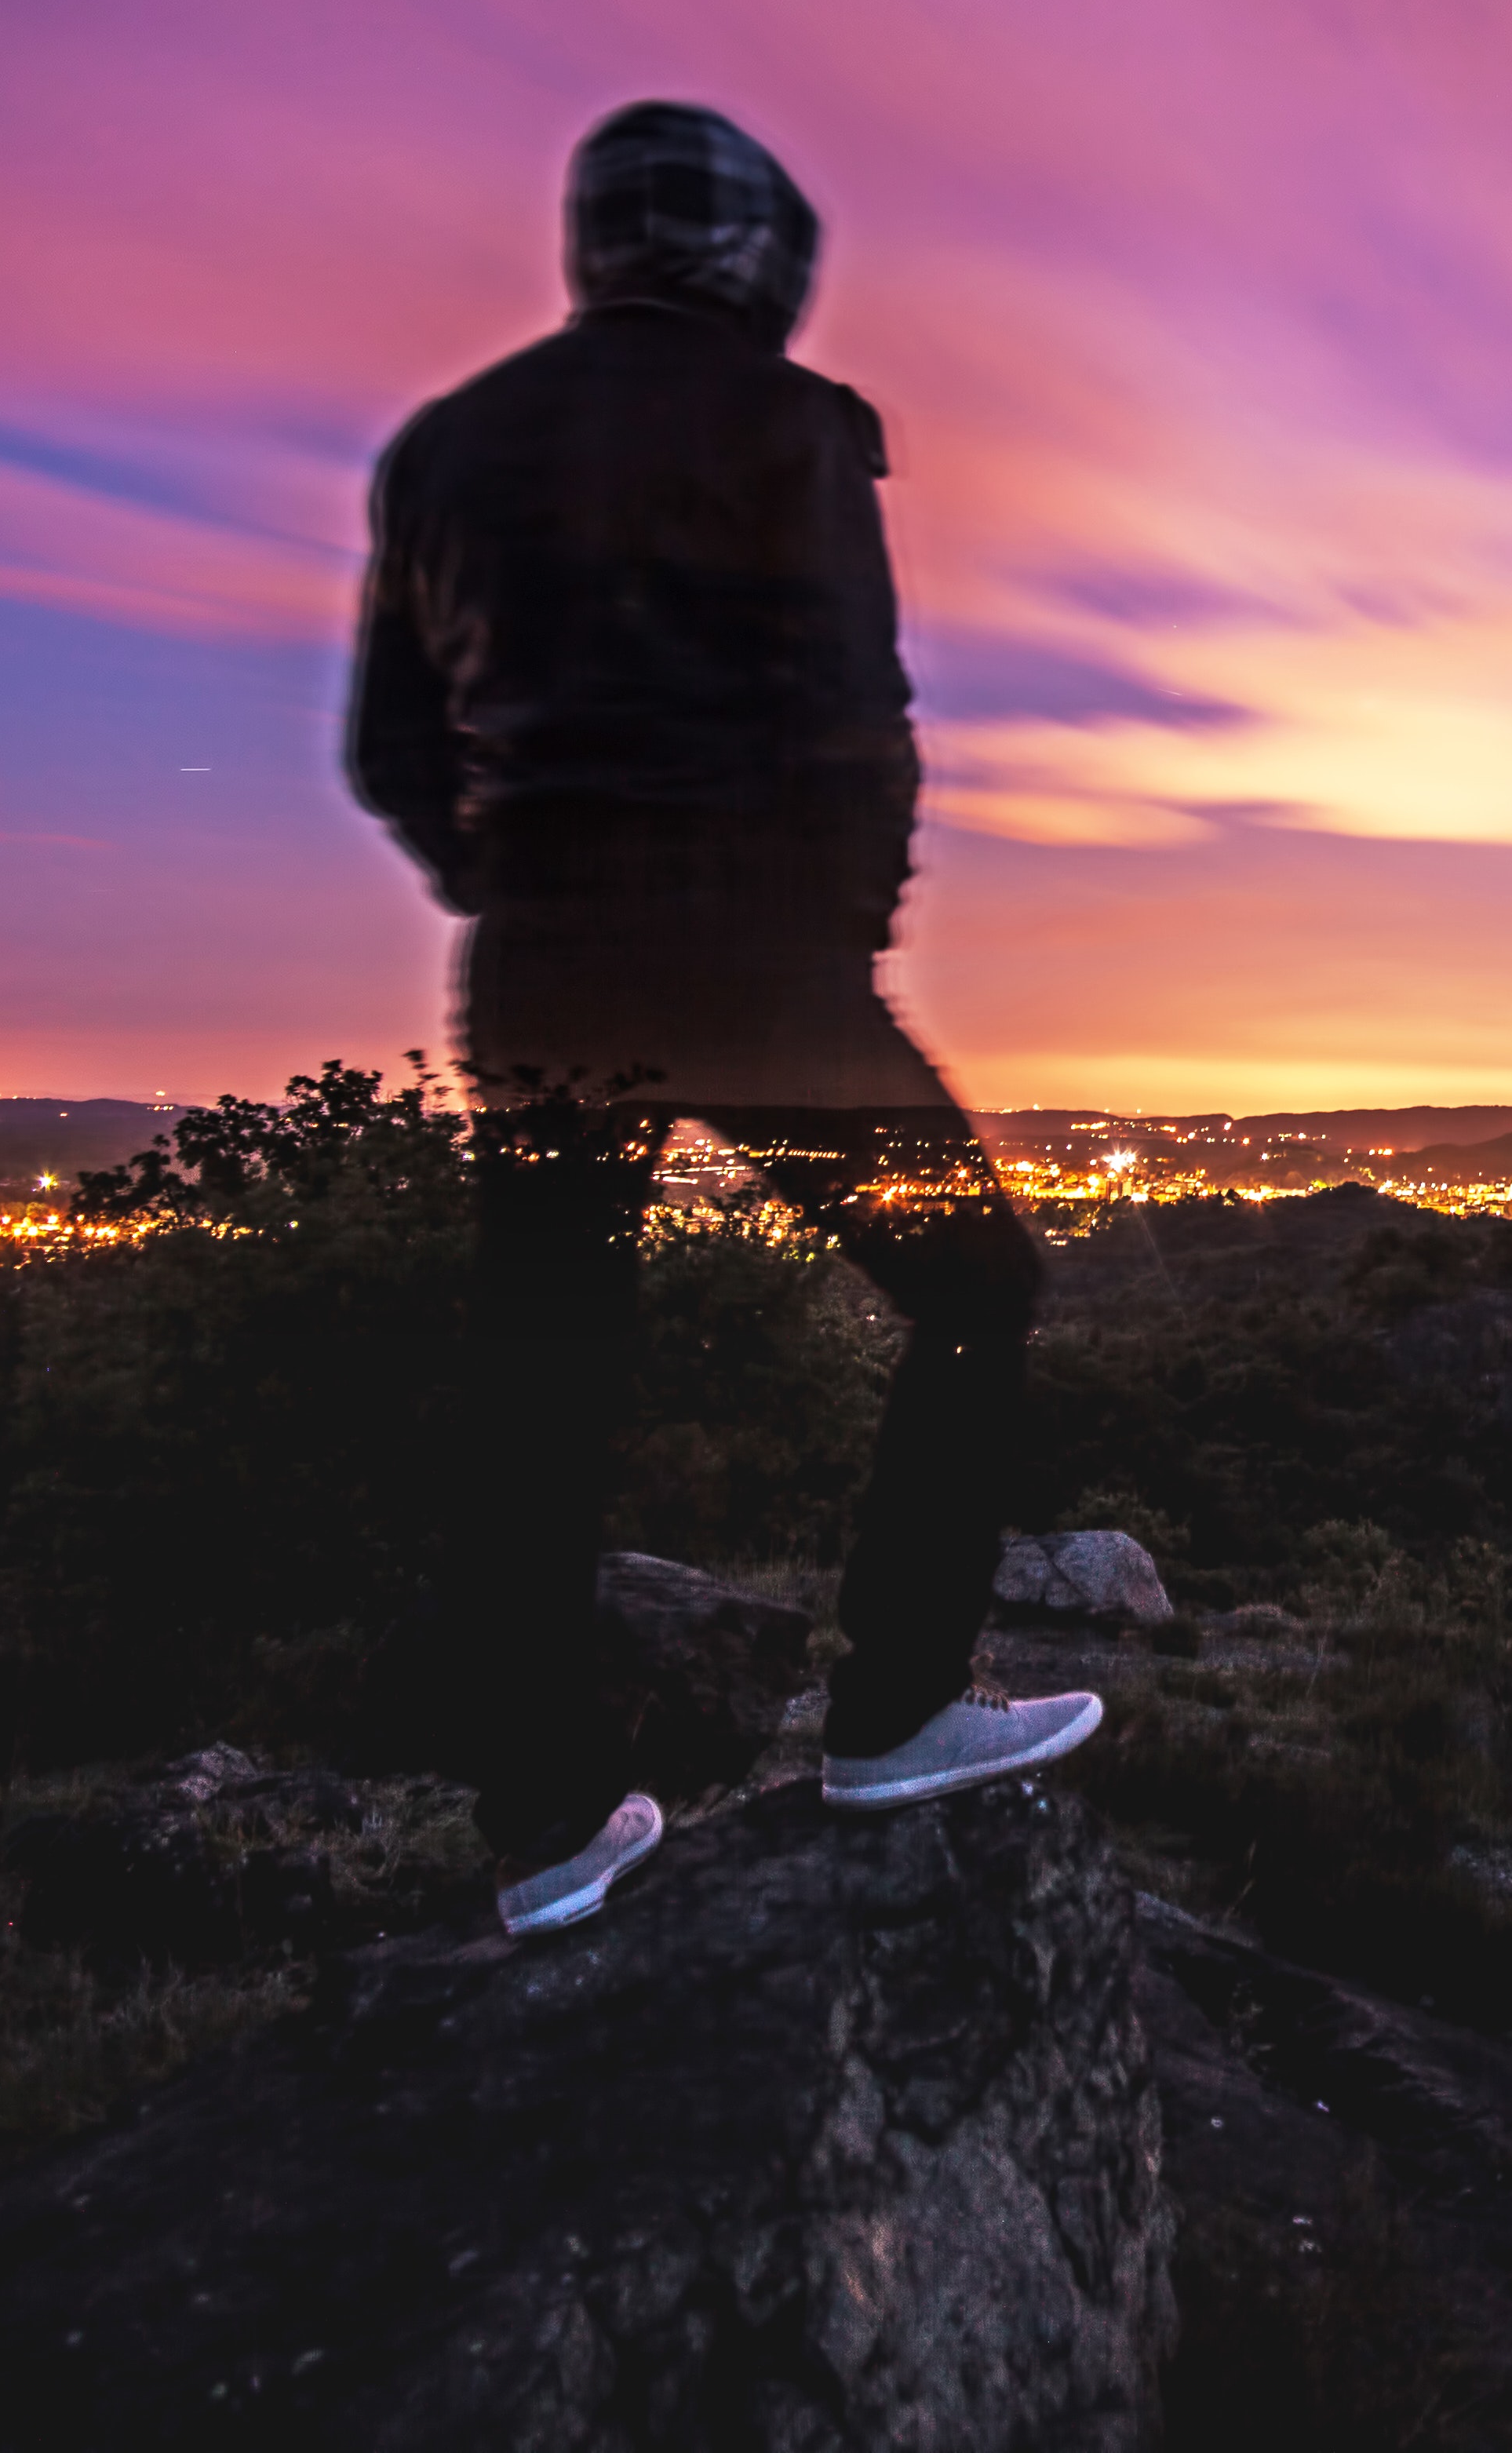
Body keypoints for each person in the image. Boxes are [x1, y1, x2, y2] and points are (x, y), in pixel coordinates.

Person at [347, 100, 1099, 1934]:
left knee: (542, 1384)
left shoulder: (447, 448)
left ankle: (542, 1836)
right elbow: (859, 713)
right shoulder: (790, 426)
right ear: (760, 251)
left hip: (545, 991)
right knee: (979, 1289)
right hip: (759, 974)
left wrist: (509, 884)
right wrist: (838, 932)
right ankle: (897, 1706)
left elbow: (389, 752)